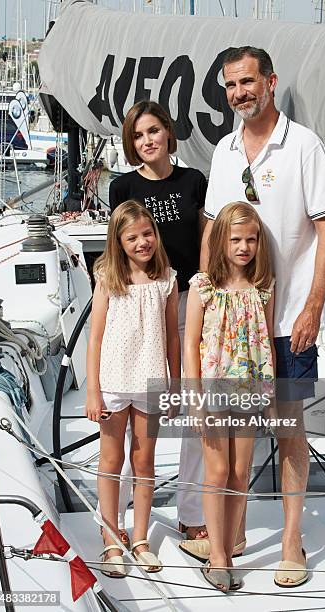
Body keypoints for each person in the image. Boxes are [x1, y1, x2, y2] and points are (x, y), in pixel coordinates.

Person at [199, 46, 325, 587]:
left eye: (247, 81)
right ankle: (229, 535)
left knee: (288, 431)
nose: (239, 93)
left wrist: (312, 307)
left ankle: (289, 541)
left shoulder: (303, 145)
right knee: (231, 438)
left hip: (287, 324)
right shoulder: (225, 151)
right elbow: (214, 228)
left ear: (270, 81)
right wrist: (205, 299)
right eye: (231, 85)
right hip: (235, 328)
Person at [109, 100, 210, 546]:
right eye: (138, 135)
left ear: (168, 133)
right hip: (136, 305)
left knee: (193, 408)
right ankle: (124, 521)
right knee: (133, 410)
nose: (147, 140)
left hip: (188, 301)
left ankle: (191, 512)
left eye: (153, 131)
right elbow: (115, 248)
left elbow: (207, 240)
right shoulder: (122, 186)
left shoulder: (195, 182)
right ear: (131, 143)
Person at [85, 200, 180, 576]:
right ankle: (111, 537)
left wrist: (174, 384)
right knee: (111, 461)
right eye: (132, 238)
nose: (142, 242)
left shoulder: (167, 279)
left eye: (147, 234)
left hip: (151, 381)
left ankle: (139, 538)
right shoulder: (108, 278)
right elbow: (95, 338)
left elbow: (172, 336)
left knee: (144, 462)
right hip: (112, 382)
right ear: (118, 242)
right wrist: (92, 391)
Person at [184, 201, 275, 592]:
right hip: (215, 389)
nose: (244, 247)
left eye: (251, 239)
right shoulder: (203, 286)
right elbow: (190, 343)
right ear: (221, 240)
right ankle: (217, 556)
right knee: (217, 471)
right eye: (236, 239)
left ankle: (230, 542)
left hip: (250, 390)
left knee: (240, 472)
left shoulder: (263, 288)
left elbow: (266, 341)